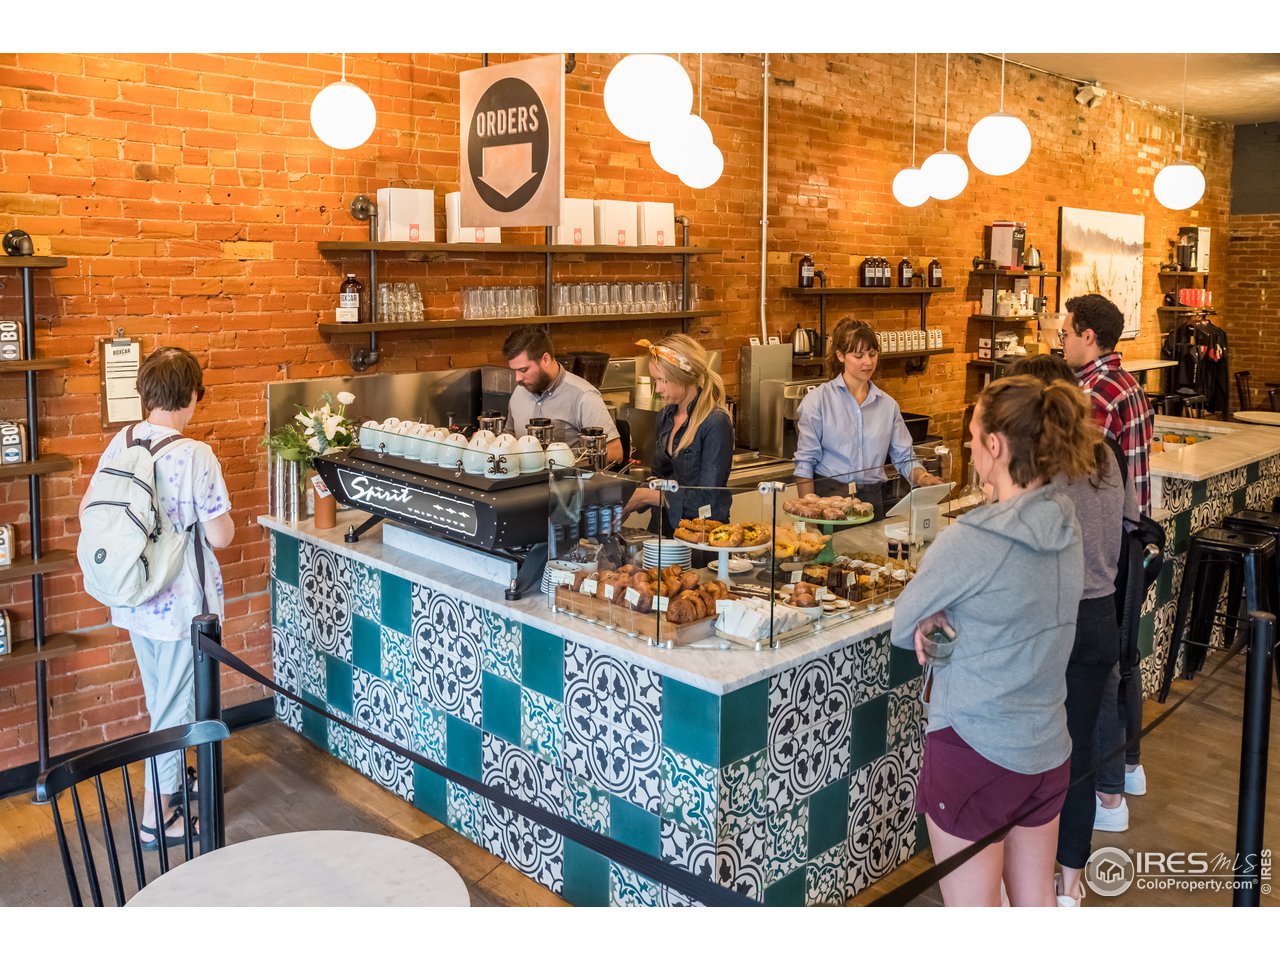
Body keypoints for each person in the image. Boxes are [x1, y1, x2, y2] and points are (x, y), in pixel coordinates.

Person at [890, 374, 1097, 907]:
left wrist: (934, 612)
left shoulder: (971, 540)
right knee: (1035, 909)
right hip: (1047, 746)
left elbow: (901, 621)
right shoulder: (1064, 520)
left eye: (973, 435)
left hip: (974, 748)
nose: (968, 446)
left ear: (996, 446)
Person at [78, 347, 234, 849]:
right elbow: (221, 536)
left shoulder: (119, 441)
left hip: (131, 597)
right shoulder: (195, 455)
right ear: (190, 396)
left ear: (146, 393)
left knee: (160, 698)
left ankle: (172, 779)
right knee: (173, 708)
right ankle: (155, 819)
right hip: (179, 607)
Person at [1011, 355, 1126, 907]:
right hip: (1103, 617)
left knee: (1033, 757)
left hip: (1054, 619)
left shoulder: (1045, 462)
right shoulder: (1105, 453)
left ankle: (1018, 888)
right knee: (1078, 757)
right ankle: (1071, 888)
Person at [1059, 293, 1154, 831]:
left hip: (1104, 543)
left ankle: (1109, 793)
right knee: (1123, 657)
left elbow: (1076, 472)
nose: (1062, 341)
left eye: (1067, 332)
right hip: (1132, 535)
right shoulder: (1129, 384)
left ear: (1088, 336)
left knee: (1104, 669)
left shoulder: (1094, 393)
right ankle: (1130, 768)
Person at [793, 319, 943, 506]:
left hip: (873, 500)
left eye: (872, 354)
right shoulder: (817, 401)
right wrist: (810, 520)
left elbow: (904, 458)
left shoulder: (888, 405)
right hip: (828, 501)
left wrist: (923, 477)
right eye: (858, 356)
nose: (868, 362)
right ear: (840, 356)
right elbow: (804, 465)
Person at [621, 334, 734, 535]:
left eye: (661, 380)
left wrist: (645, 497)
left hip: (701, 536)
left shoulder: (715, 422)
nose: (658, 389)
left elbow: (707, 498)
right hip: (662, 531)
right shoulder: (665, 416)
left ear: (682, 376)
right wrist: (630, 498)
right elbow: (660, 476)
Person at [503, 325, 622, 463]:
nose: (517, 378)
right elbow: (509, 436)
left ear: (545, 359)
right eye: (514, 370)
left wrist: (569, 462)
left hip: (566, 482)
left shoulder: (583, 396)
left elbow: (615, 452)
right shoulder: (519, 392)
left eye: (523, 370)